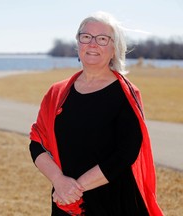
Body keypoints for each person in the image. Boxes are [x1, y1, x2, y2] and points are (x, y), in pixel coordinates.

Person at [29, 11, 163, 216]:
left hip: (112, 202)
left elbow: (126, 153)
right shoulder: (57, 93)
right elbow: (37, 143)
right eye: (86, 37)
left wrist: (75, 188)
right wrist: (59, 182)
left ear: (114, 49)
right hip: (66, 202)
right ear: (78, 44)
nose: (92, 44)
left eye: (102, 39)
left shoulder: (126, 93)